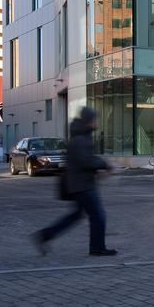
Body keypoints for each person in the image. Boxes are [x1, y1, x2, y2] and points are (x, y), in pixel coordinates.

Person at [32, 106, 116, 256]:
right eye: (94, 119)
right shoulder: (80, 139)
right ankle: (97, 248)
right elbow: (86, 161)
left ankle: (45, 235)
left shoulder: (81, 137)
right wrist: (105, 164)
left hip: (79, 184)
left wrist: (99, 166)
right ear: (88, 121)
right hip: (83, 185)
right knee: (98, 215)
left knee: (76, 215)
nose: (97, 122)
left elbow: (86, 159)